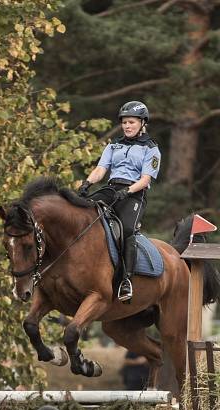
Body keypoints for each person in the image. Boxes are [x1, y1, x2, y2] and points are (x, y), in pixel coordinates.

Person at [78, 101, 161, 302]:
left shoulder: (151, 149)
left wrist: (128, 191)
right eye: (124, 122)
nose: (127, 126)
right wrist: (87, 183)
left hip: (134, 193)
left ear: (142, 123)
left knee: (127, 229)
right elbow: (101, 170)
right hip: (110, 188)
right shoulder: (113, 145)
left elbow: (145, 180)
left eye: (131, 122)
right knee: (82, 212)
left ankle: (126, 280)